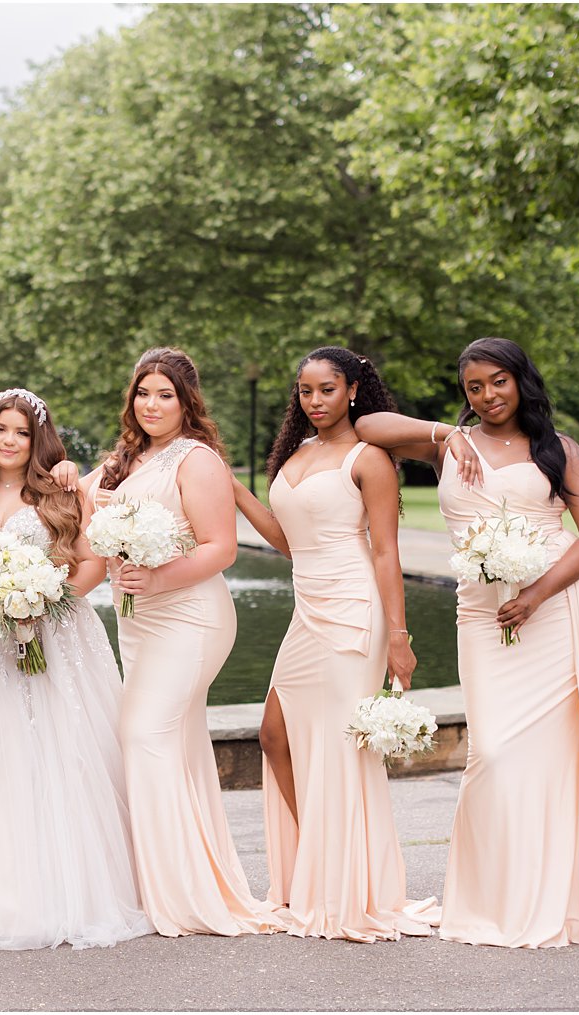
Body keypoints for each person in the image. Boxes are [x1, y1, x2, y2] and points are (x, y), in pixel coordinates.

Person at [355, 336, 579, 948]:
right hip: (480, 614)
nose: (487, 395)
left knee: (557, 755)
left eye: (497, 381)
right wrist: (444, 433)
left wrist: (536, 594)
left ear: (520, 380)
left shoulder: (558, 449)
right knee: (494, 752)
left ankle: (554, 896)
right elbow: (368, 423)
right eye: (474, 386)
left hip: (554, 609)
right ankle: (491, 898)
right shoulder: (451, 445)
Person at [0, 389, 152, 954]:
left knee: (59, 750)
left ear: (35, 438)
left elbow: (92, 564)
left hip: (56, 636)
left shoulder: (61, 489)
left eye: (20, 431)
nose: (8, 440)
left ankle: (71, 887)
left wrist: (45, 599)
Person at [233, 347, 436, 942]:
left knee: (343, 748)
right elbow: (290, 541)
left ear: (353, 390)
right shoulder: (296, 454)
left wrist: (398, 636)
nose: (314, 401)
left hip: (354, 610)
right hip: (307, 610)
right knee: (276, 734)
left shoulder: (369, 457)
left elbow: (385, 549)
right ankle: (323, 861)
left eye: (326, 389)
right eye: (304, 391)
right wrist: (238, 490)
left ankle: (348, 885)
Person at [84, 347, 278, 937]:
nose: (151, 404)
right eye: (143, 393)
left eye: (164, 394)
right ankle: (174, 882)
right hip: (139, 621)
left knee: (142, 734)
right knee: (178, 746)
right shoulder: (128, 459)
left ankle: (176, 895)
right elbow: (72, 496)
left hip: (191, 616)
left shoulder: (198, 460)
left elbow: (223, 547)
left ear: (187, 400)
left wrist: (160, 575)